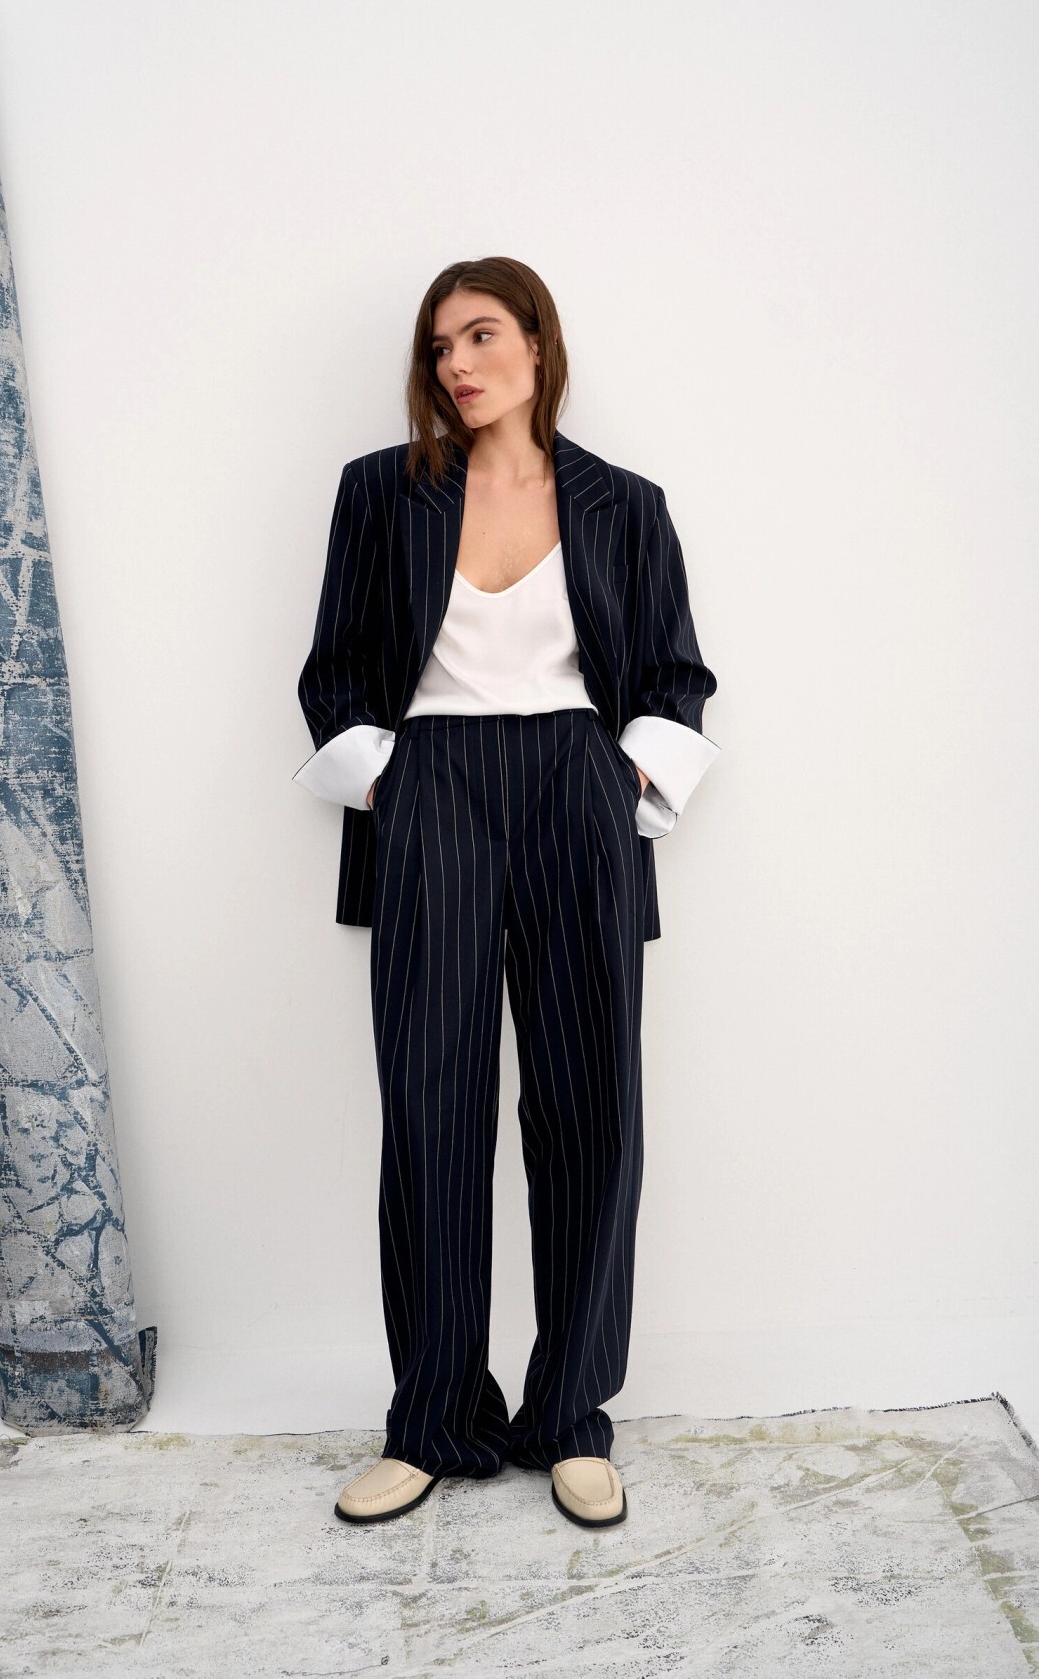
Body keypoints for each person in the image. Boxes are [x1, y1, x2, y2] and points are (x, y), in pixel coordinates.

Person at [294, 256, 718, 1529]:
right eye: (439, 348)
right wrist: (388, 779)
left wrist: (621, 777)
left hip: (576, 792)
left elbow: (675, 674)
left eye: (480, 335)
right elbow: (333, 668)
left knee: (590, 1110)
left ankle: (571, 1416)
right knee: (431, 1110)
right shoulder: (383, 492)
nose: (457, 365)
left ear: (537, 341)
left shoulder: (624, 505)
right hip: (431, 790)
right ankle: (432, 1420)